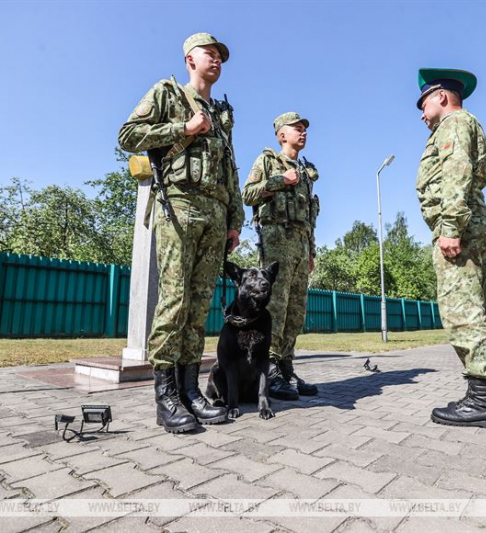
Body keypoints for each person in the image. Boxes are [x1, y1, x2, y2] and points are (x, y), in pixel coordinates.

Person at [118, 33, 245, 433]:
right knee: (174, 301)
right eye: (210, 54)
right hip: (179, 204)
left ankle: (190, 390)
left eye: (220, 56)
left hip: (214, 213)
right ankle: (166, 397)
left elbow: (230, 169)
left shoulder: (221, 113)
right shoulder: (167, 93)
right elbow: (127, 136)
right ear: (190, 59)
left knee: (199, 304)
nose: (217, 60)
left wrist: (235, 219)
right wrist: (183, 128)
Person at [414, 68, 486, 428]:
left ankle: (482, 400)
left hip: (460, 226)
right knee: (476, 307)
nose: (422, 114)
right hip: (471, 221)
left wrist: (450, 227)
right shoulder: (461, 124)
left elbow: (457, 171)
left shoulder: (453, 123)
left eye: (423, 103)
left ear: (440, 96)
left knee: (461, 309)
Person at [241, 112, 320, 400]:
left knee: (296, 311)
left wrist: (311, 251)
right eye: (297, 128)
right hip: (276, 243)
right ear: (281, 135)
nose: (303, 132)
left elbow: (309, 215)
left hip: (300, 246)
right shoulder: (267, 162)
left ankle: (286, 366)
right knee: (275, 307)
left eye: (304, 129)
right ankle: (269, 369)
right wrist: (279, 181)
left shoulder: (305, 171)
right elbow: (248, 194)